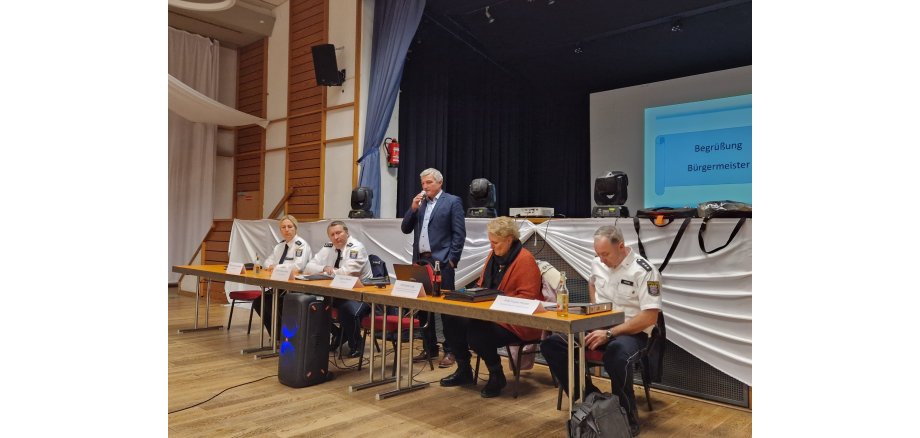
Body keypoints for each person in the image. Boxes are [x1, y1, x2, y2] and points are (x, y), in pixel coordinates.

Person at [540, 225, 662, 437]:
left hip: (635, 332)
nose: (601, 259)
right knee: (552, 344)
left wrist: (610, 333)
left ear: (621, 246)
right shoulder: (597, 263)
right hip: (601, 326)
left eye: (605, 254)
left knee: (617, 353)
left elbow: (649, 317)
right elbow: (593, 283)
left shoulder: (645, 271)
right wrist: (596, 311)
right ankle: (591, 400)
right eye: (598, 254)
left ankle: (625, 415)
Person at [442, 217, 543, 397]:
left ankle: (496, 375)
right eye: (490, 242)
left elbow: (528, 299)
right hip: (491, 315)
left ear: (509, 239)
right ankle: (464, 370)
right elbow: (483, 285)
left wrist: (496, 302)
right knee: (452, 320)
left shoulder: (525, 260)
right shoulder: (493, 256)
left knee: (477, 332)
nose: (491, 247)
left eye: (495, 243)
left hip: (517, 321)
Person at [400, 168, 466, 367]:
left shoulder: (452, 202)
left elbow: (459, 234)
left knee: (446, 309)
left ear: (439, 183)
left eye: (428, 182)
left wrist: (452, 260)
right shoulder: (419, 204)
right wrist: (412, 208)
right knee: (422, 307)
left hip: (442, 262)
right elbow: (405, 228)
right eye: (422, 184)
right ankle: (430, 348)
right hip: (421, 261)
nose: (425, 187)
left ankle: (451, 350)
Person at [304, 220, 372, 358]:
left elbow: (347, 273)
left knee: (347, 309)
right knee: (311, 304)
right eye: (332, 234)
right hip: (336, 292)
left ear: (347, 233)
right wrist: (323, 268)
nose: (336, 237)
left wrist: (326, 273)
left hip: (359, 295)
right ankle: (339, 334)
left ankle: (356, 344)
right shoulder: (328, 247)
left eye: (339, 233)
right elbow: (308, 267)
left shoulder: (356, 248)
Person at [253, 214, 313, 338]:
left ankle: (286, 336)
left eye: (289, 226)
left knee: (278, 304)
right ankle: (276, 335)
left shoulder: (301, 245)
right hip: (280, 287)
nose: (286, 230)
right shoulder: (279, 246)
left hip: (297, 288)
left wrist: (277, 267)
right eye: (283, 227)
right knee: (259, 302)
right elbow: (267, 263)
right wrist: (275, 266)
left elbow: (298, 267)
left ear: (295, 228)